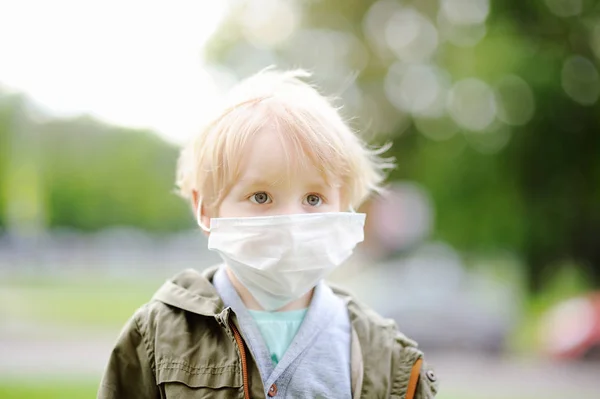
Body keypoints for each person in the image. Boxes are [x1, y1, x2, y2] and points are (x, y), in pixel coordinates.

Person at [98, 68, 439, 398]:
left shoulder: (386, 358)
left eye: (313, 198)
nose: (291, 223)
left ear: (344, 207)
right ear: (206, 210)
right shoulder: (158, 336)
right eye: (260, 196)